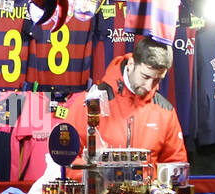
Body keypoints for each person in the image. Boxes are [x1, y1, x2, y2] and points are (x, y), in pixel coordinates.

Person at [64, 34, 189, 173]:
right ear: (131, 65)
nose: (149, 86)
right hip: (98, 193)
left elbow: (176, 165)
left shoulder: (165, 111)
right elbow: (66, 158)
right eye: (145, 76)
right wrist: (98, 181)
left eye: (158, 80)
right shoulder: (90, 102)